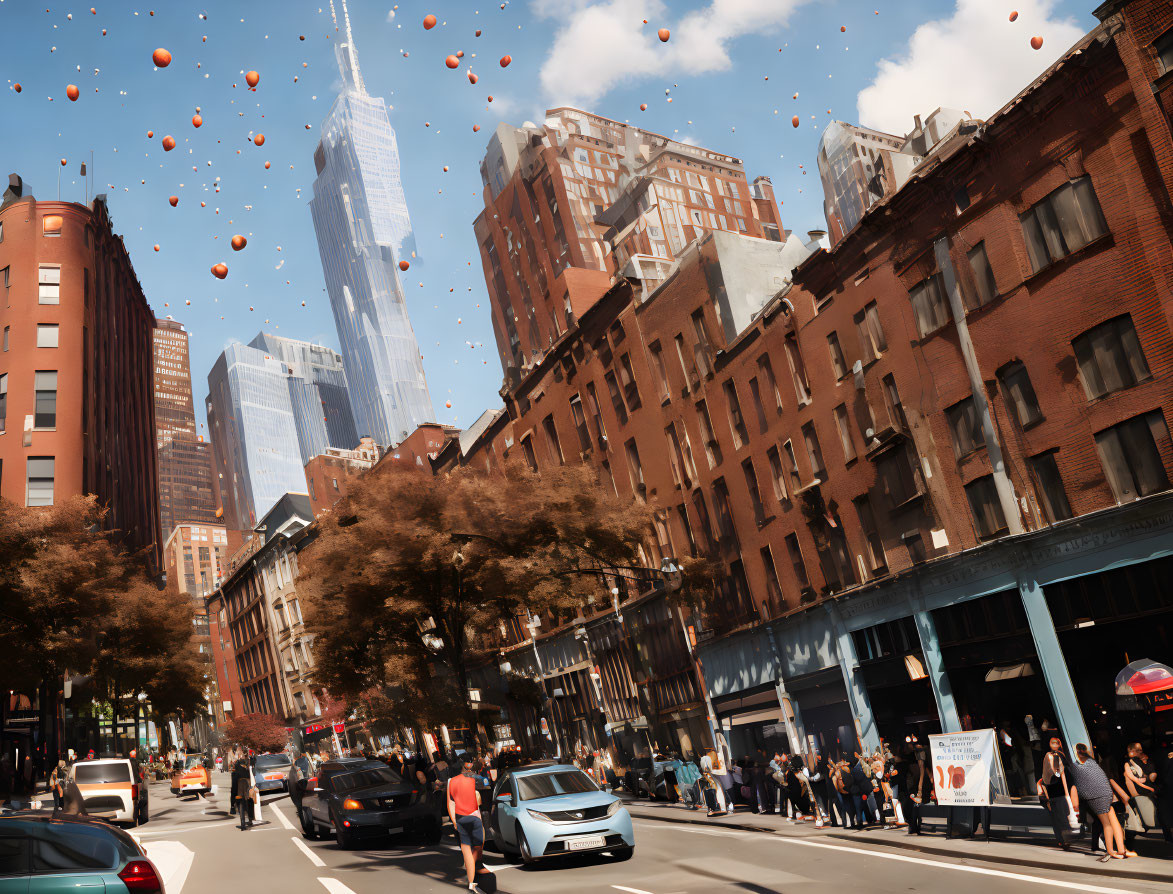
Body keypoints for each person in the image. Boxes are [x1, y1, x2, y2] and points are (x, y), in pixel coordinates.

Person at [1070, 744, 1130, 861]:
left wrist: (1076, 804)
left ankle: (1110, 851)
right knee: (1113, 821)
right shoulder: (1092, 762)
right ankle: (1121, 849)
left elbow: (1076, 786)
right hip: (1107, 794)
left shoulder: (1076, 767)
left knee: (1106, 824)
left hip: (1097, 796)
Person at [447, 756, 489, 894]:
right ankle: (477, 874)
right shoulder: (474, 779)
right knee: (477, 848)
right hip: (475, 817)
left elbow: (450, 804)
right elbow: (482, 795)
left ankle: (472, 883)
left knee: (466, 851)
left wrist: (454, 821)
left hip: (460, 818)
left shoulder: (451, 782)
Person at [1038, 736, 1074, 850]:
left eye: (1056, 743)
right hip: (1051, 789)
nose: (1054, 745)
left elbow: (1062, 774)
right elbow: (1051, 773)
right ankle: (1063, 840)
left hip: (1058, 788)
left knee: (1062, 815)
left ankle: (1064, 840)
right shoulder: (1049, 755)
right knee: (1057, 816)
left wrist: (1067, 792)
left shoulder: (1060, 755)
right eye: (1052, 743)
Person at [1123, 742, 1161, 833]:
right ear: (1131, 751)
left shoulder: (1144, 760)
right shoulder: (1128, 764)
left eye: (1141, 749)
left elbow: (1149, 777)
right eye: (1138, 750)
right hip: (1141, 790)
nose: (1141, 751)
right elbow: (1136, 780)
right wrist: (1148, 787)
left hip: (1147, 789)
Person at [901, 743, 929, 835]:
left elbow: (922, 771)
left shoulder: (920, 759)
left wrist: (920, 788)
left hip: (916, 788)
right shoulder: (911, 759)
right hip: (912, 787)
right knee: (911, 807)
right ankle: (913, 826)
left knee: (914, 808)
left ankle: (914, 827)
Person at [232, 759, 254, 831]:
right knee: (249, 805)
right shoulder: (247, 771)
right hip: (247, 790)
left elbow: (234, 786)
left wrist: (232, 802)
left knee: (240, 806)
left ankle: (243, 824)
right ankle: (250, 820)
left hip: (239, 791)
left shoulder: (235, 773)